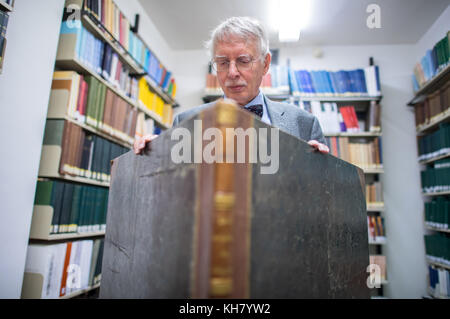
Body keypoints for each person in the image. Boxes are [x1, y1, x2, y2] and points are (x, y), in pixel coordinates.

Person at [134, 16, 329, 155]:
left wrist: (321, 169)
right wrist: (154, 157)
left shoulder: (304, 124)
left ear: (266, 64)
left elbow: (325, 198)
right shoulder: (185, 123)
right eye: (223, 62)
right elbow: (174, 190)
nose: (232, 72)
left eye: (244, 60)